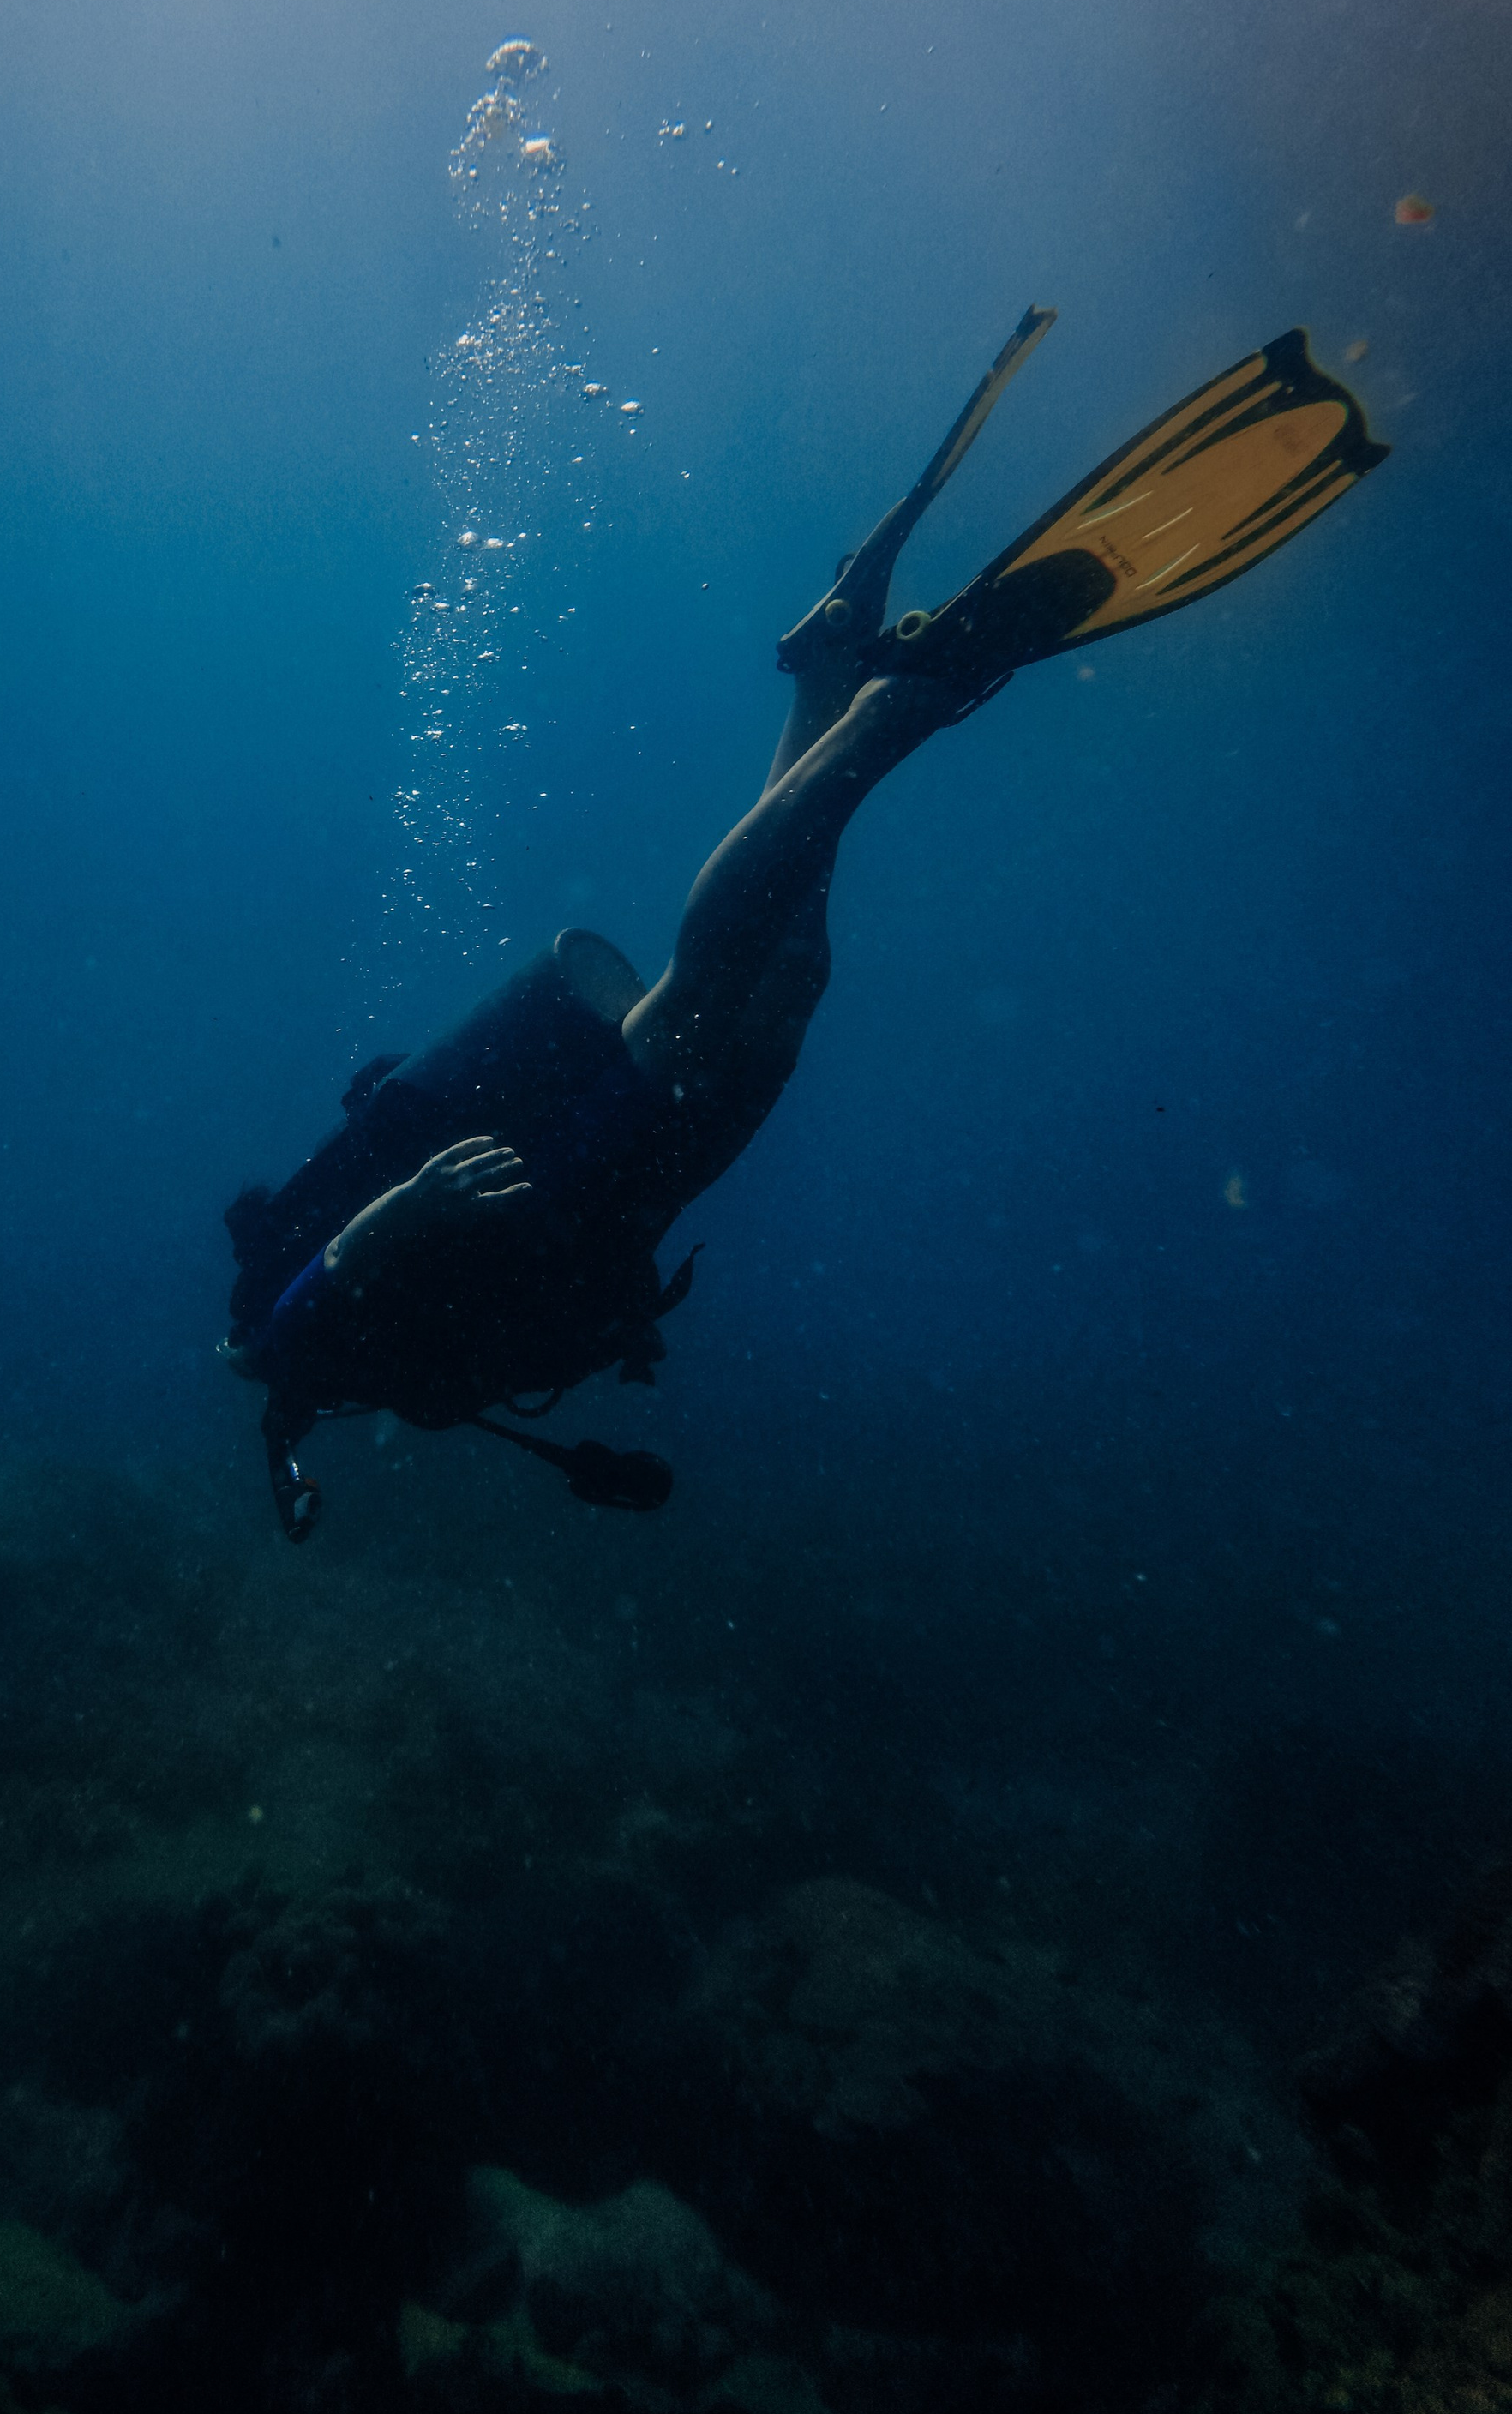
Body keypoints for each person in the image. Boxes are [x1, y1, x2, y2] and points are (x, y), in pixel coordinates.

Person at [225, 314, 1388, 1540]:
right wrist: (607, 1326)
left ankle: (901, 704)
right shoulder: (339, 1388)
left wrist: (413, 1209)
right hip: (566, 1233)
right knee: (785, 993)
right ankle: (830, 676)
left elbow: (306, 1306)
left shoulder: (286, 1360)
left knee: (694, 1017)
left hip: (524, 1199)